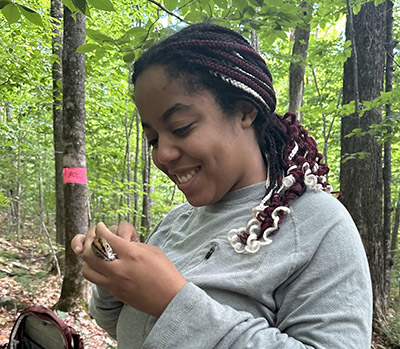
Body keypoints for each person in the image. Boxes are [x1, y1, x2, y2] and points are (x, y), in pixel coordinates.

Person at [71, 23, 372, 348]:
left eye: (181, 127)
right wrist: (114, 270)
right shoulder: (176, 222)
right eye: (153, 139)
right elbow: (125, 328)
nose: (163, 154)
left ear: (245, 111)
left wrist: (173, 302)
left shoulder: (318, 225)